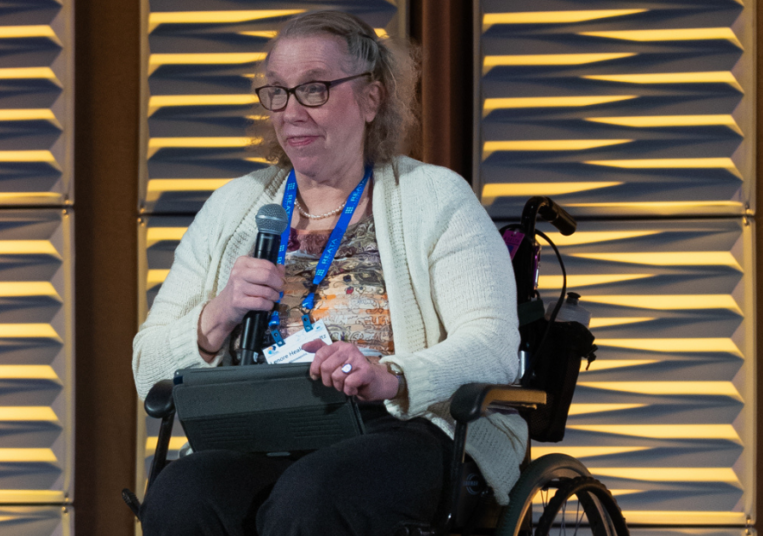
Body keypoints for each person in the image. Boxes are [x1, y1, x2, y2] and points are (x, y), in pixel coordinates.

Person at [133, 10, 525, 536]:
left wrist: (392, 375)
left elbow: (493, 344)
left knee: (314, 494)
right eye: (277, 92)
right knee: (182, 492)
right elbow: (147, 370)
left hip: (410, 429)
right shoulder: (236, 207)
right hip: (269, 428)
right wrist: (218, 314)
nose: (291, 111)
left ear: (371, 98)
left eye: (314, 89)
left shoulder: (435, 196)